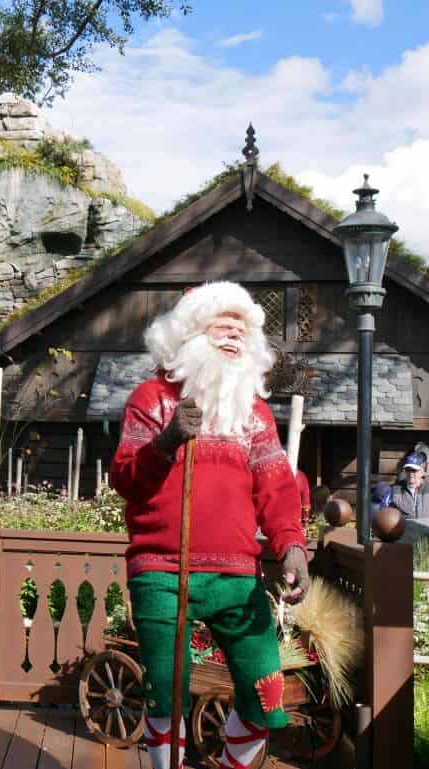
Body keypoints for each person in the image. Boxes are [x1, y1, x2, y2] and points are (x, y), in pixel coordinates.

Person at [110, 282, 308, 769]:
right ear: (190, 333)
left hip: (236, 575)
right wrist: (168, 440)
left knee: (266, 691)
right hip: (162, 569)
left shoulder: (255, 413)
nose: (234, 336)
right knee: (165, 697)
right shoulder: (151, 399)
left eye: (242, 329)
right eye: (223, 325)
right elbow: (126, 479)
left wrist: (291, 546)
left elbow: (277, 488)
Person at [391, 453, 429, 520]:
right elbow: (384, 512)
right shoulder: (394, 490)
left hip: (428, 529)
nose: (410, 474)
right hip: (405, 530)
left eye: (414, 470)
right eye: (408, 470)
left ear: (422, 471)